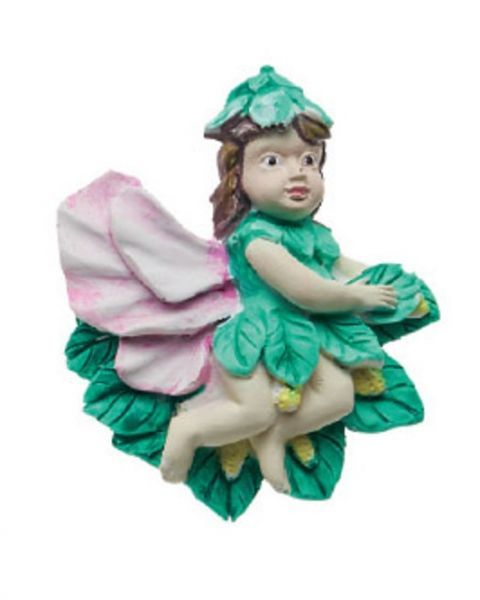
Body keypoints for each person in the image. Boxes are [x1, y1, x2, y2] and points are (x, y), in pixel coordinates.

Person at [160, 67, 401, 492]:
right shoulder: (256, 239)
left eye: (309, 160)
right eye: (272, 161)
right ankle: (187, 432)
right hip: (257, 336)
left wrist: (388, 284)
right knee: (253, 409)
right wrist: (360, 297)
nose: (299, 173)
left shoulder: (311, 233)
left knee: (339, 397)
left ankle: (274, 437)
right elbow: (306, 290)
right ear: (237, 175)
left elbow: (339, 265)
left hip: (302, 332)